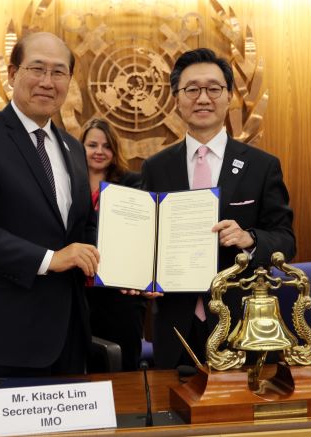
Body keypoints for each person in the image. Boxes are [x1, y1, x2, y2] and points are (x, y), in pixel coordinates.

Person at [0, 32, 99, 378]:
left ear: (69, 81)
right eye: (37, 69)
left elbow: (82, 227)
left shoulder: (73, 149)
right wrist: (51, 259)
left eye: (59, 72)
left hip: (69, 335)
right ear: (12, 74)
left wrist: (128, 270)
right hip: (4, 336)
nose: (47, 82)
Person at [140, 47, 295, 369]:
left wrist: (249, 238)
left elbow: (285, 240)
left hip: (243, 323)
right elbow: (146, 243)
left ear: (228, 97)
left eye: (213, 89)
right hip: (175, 322)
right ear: (176, 98)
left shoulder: (261, 166)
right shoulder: (156, 168)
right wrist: (143, 277)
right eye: (192, 89)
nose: (203, 98)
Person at [80, 118, 145, 370]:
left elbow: (132, 232)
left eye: (106, 146)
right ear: (80, 147)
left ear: (114, 151)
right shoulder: (68, 184)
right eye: (92, 145)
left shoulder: (132, 183)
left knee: (123, 365)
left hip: (120, 293)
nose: (99, 151)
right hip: (78, 291)